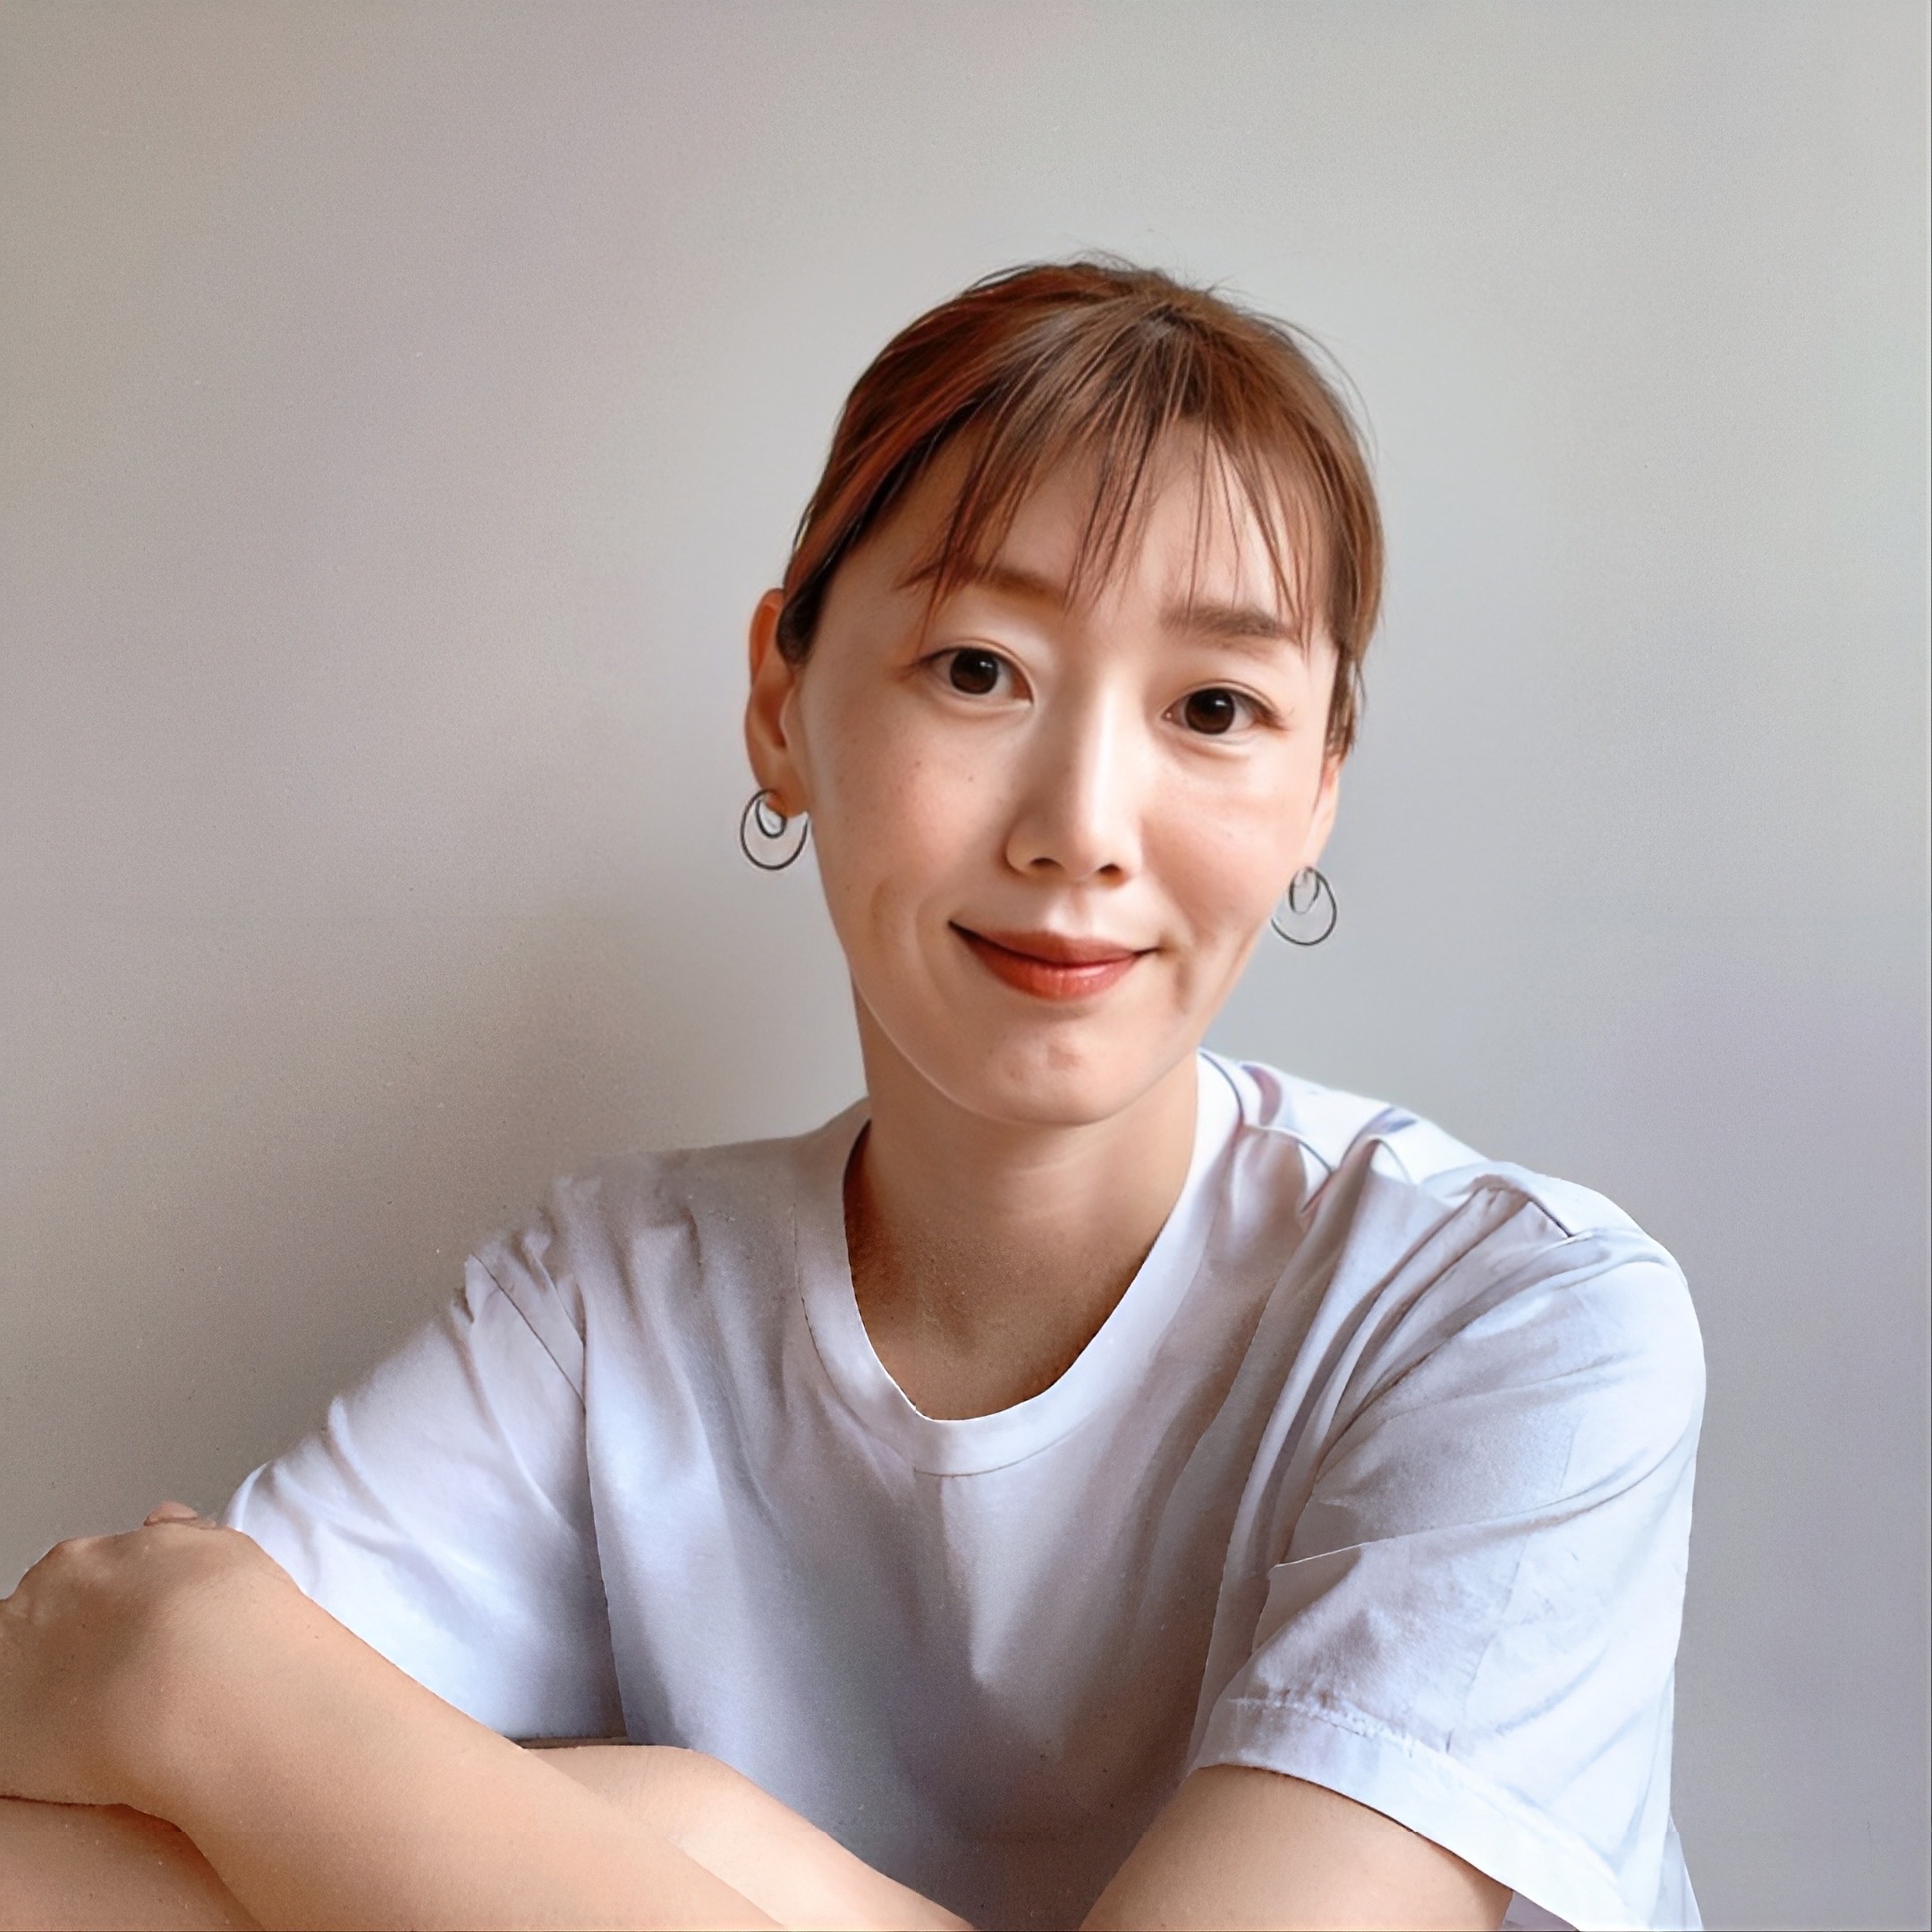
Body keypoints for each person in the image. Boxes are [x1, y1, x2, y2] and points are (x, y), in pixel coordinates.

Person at [0, 259, 1703, 1931]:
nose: (1082, 828)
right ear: (781, 702)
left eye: (1214, 707)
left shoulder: (1521, 1323)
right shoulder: (611, 1305)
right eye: (978, 669)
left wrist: (205, 1674)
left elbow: (204, 1723)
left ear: (1320, 782)